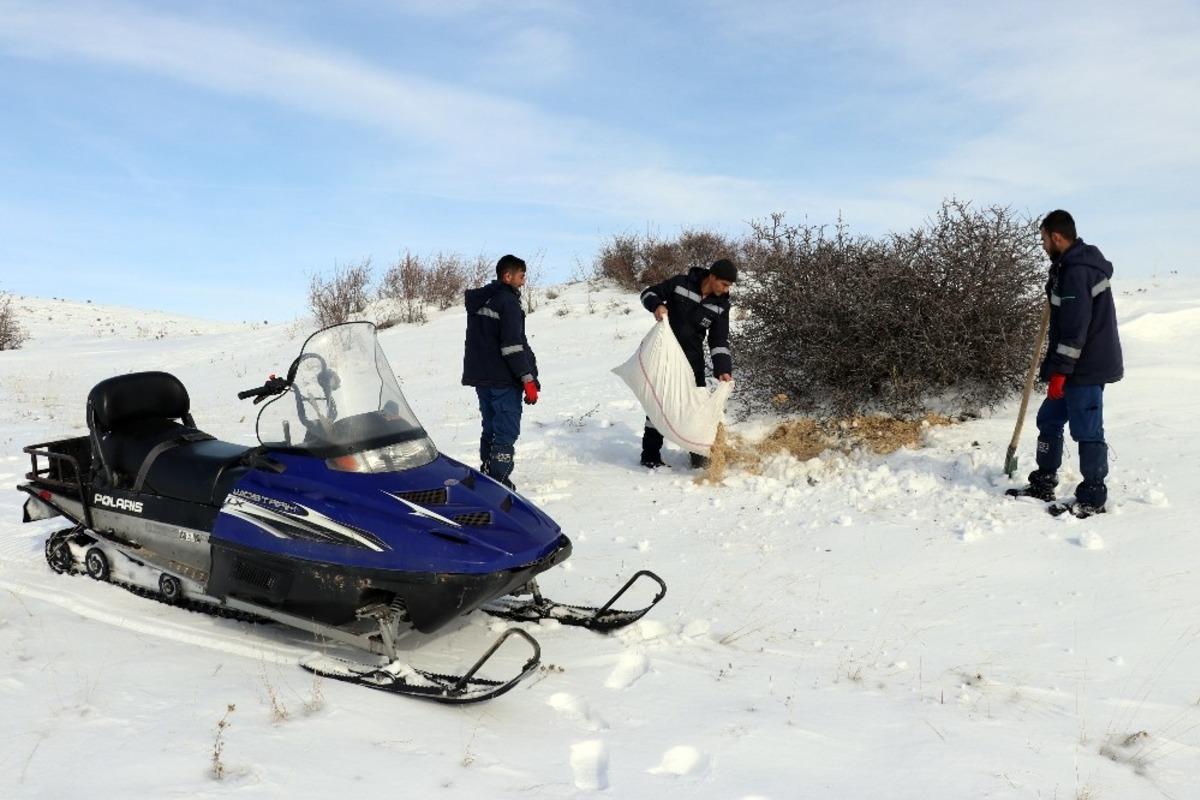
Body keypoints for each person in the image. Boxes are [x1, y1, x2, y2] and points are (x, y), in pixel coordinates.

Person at [1007, 210, 1123, 517]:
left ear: (1056, 237)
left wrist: (1060, 371)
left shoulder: (1076, 271)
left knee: (1087, 429)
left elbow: (1074, 330)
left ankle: (1093, 496)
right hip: (1072, 366)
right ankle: (1044, 481)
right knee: (1049, 420)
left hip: (1085, 367)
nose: (1043, 245)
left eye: (1044, 239)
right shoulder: (1067, 267)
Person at [638, 258, 736, 469]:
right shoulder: (681, 283)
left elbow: (719, 341)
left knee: (696, 406)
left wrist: (723, 370)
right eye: (724, 284)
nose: (726, 289)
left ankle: (698, 456)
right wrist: (657, 306)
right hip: (666, 356)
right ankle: (650, 455)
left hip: (693, 361)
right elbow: (647, 293)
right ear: (712, 276)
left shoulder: (721, 306)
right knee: (658, 403)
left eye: (729, 286)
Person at [462, 254, 539, 489]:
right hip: (503, 379)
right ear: (507, 276)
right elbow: (513, 346)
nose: (523, 281)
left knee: (491, 427)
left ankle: (487, 471)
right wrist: (527, 379)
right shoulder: (507, 302)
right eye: (521, 275)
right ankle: (499, 481)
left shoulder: (482, 300)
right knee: (505, 430)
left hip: (482, 379)